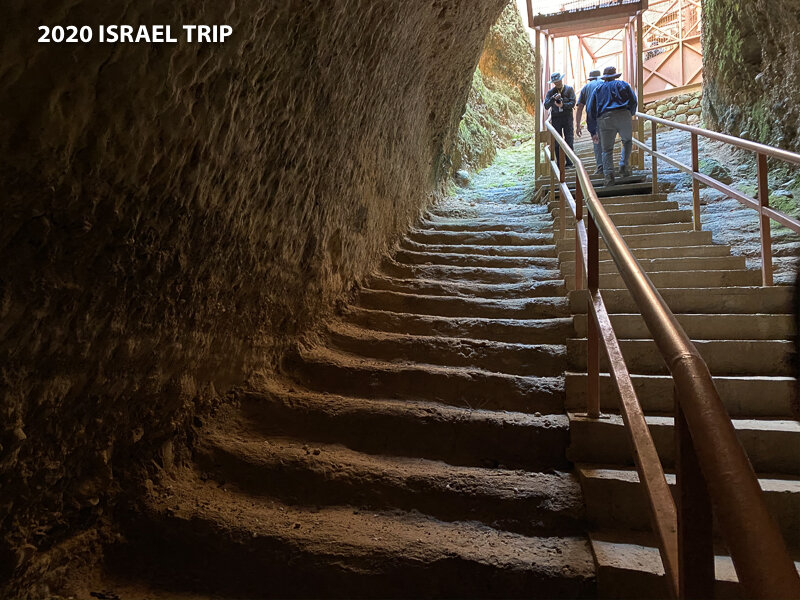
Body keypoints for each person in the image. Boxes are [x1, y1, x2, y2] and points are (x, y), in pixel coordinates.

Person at [586, 66, 638, 186]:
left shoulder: (598, 90)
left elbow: (590, 110)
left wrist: (593, 130)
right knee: (627, 141)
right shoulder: (623, 85)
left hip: (605, 119)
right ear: (615, 76)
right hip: (623, 115)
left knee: (606, 149)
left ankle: (609, 175)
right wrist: (630, 113)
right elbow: (633, 100)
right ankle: (623, 165)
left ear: (604, 78)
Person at [543, 72, 576, 168]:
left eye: (558, 81)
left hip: (567, 117)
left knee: (569, 139)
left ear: (561, 80)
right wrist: (553, 99)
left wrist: (563, 105)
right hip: (556, 118)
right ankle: (559, 163)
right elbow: (546, 105)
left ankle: (569, 162)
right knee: (557, 141)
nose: (557, 83)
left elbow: (573, 103)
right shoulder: (551, 92)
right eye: (555, 82)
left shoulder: (569, 89)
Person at [575, 69, 604, 175]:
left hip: (593, 119)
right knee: (607, 141)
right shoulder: (605, 83)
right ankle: (609, 167)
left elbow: (580, 108)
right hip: (607, 117)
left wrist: (578, 125)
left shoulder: (586, 87)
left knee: (597, 142)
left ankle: (600, 166)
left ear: (590, 78)